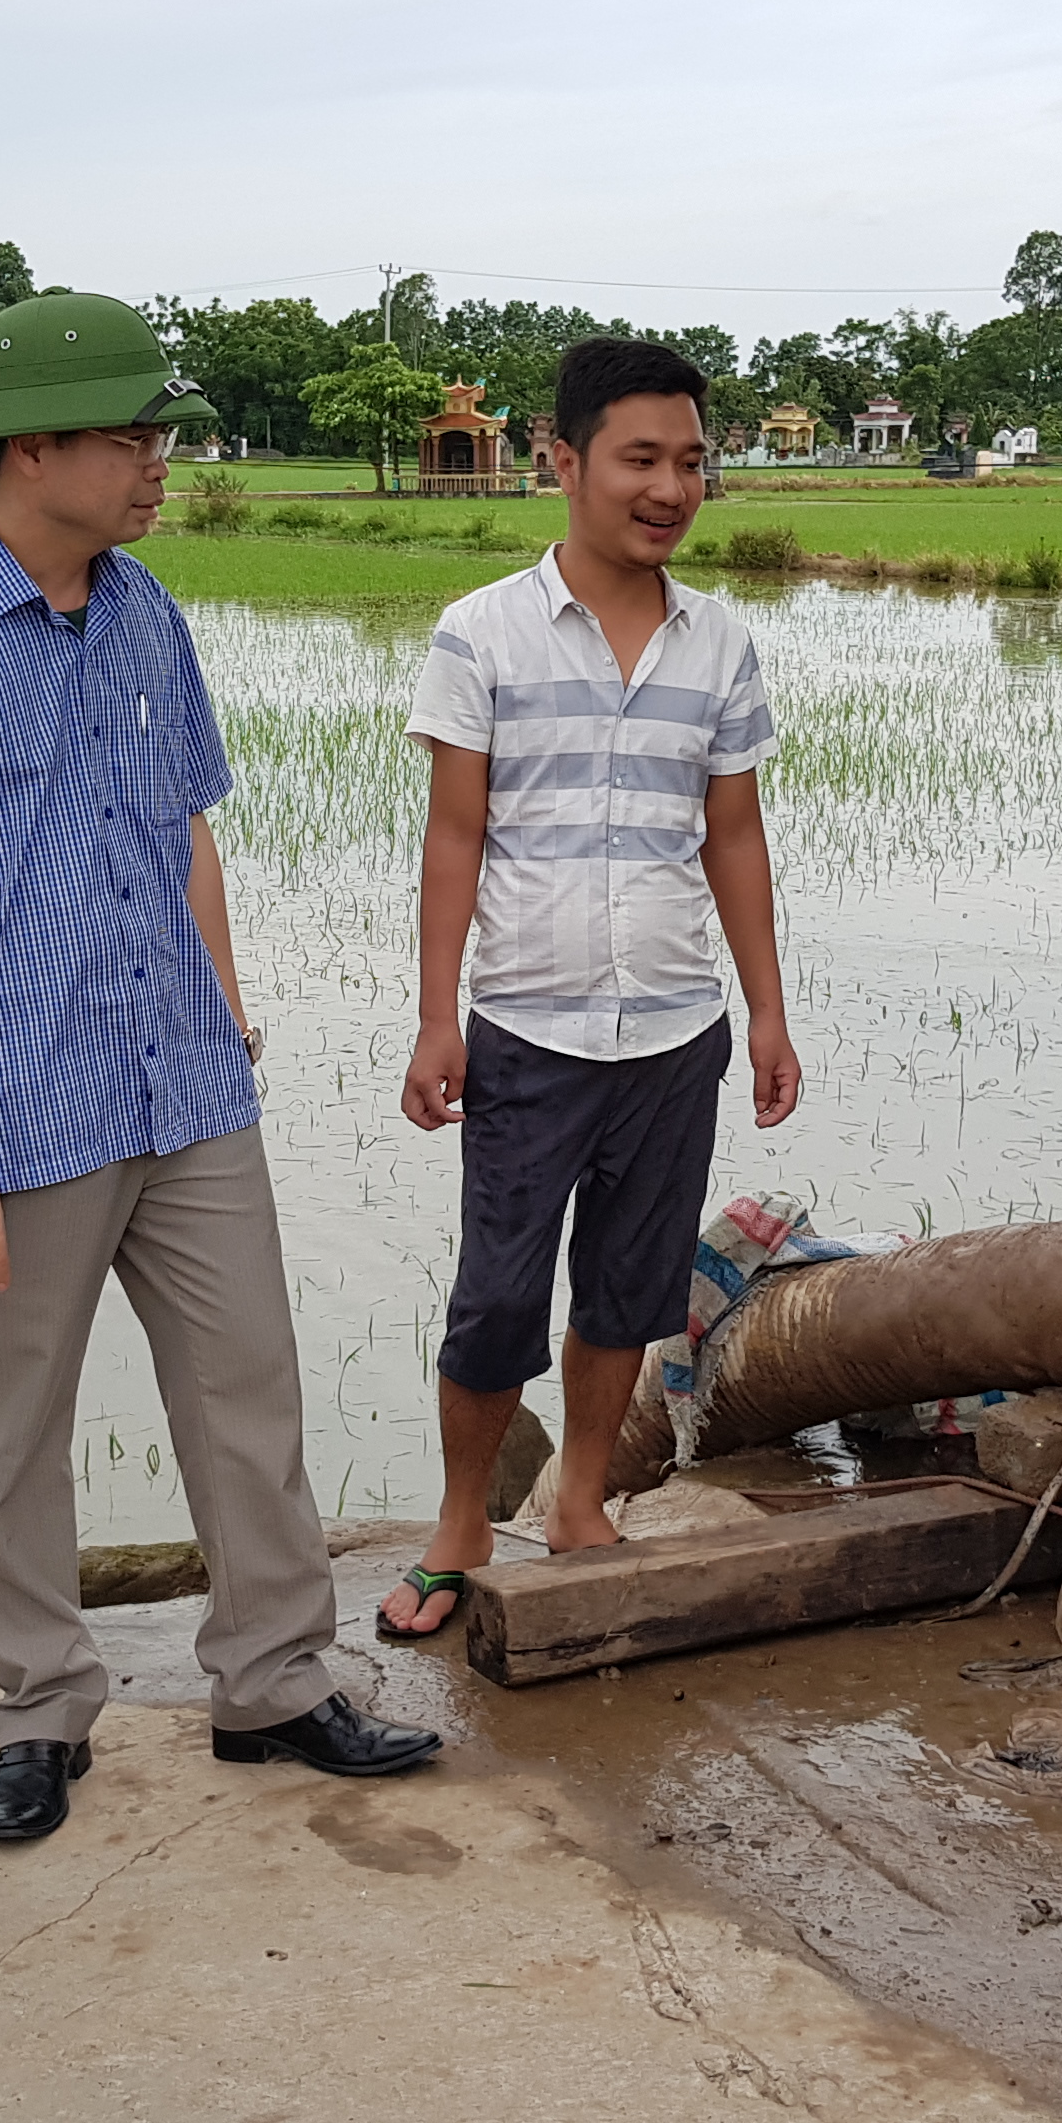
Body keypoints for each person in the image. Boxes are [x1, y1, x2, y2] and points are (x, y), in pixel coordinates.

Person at [0, 289, 440, 1845]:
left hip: (186, 1083)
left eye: (162, 432)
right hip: (18, 1107)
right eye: (133, 433)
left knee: (249, 1387)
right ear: (31, 450)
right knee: (13, 1425)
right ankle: (38, 1708)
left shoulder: (145, 609)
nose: (162, 458)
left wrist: (224, 1004)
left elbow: (185, 823)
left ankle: (275, 1683)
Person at [382, 336, 801, 1640]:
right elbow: (457, 835)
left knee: (629, 1287)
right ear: (565, 463)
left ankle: (579, 1502)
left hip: (676, 1025)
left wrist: (769, 1009)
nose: (670, 486)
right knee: (499, 1291)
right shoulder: (482, 634)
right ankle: (461, 1526)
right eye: (640, 459)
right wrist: (436, 1015)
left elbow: (733, 833)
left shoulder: (719, 645)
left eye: (690, 461)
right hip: (527, 1023)